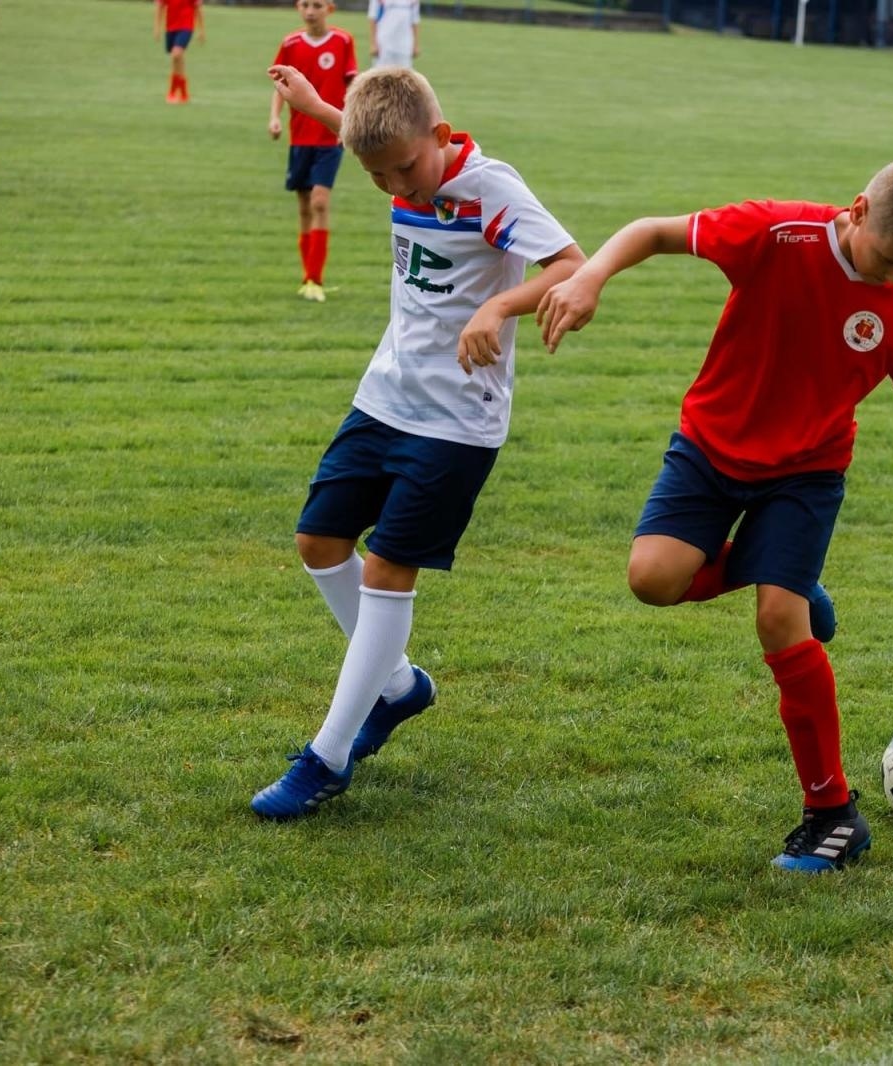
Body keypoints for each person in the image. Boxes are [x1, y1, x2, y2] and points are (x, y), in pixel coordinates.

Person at [534, 157, 893, 873]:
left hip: (807, 473)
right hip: (709, 447)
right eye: (887, 259)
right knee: (653, 580)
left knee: (779, 620)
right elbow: (653, 231)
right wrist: (590, 276)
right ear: (858, 210)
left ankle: (833, 815)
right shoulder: (777, 234)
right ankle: (783, 572)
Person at [250, 65, 584, 820]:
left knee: (389, 569)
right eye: (377, 176)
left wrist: (499, 306)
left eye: (405, 168)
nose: (396, 185)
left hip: (458, 418)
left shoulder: (489, 188)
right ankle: (399, 686)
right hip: (385, 396)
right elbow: (378, 139)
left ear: (440, 136)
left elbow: (572, 264)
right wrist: (319, 107)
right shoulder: (400, 159)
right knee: (318, 543)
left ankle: (327, 757)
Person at [269, 0, 357, 302]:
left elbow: (351, 86)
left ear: (329, 8)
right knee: (304, 207)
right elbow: (280, 85)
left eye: (317, 5)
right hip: (300, 138)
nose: (310, 11)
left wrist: (348, 124)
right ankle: (306, 277)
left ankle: (315, 279)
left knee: (320, 202)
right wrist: (274, 118)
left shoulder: (343, 40)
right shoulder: (290, 43)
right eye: (305, 5)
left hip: (330, 138)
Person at [154, 0, 204, 104]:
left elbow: (198, 8)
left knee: (176, 54)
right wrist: (157, 28)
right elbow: (160, 7)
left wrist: (201, 30)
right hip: (170, 28)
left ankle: (172, 93)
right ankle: (184, 93)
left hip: (186, 27)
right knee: (177, 59)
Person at [368, 0, 420, 69]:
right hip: (383, 44)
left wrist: (415, 45)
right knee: (381, 73)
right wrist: (373, 44)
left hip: (405, 45)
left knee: (404, 73)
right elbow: (373, 18)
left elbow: (415, 21)